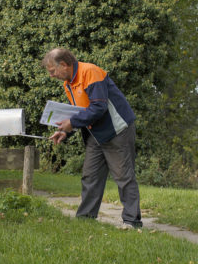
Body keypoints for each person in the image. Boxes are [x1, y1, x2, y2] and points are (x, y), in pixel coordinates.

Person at [43, 48, 142, 229]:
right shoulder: (68, 84)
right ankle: (85, 219)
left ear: (63, 65)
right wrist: (66, 131)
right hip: (94, 134)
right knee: (90, 176)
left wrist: (72, 123)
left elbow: (98, 107)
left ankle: (132, 221)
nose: (51, 75)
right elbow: (80, 113)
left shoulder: (90, 72)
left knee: (123, 176)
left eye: (52, 71)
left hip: (117, 130)